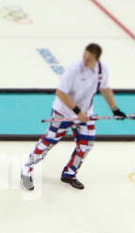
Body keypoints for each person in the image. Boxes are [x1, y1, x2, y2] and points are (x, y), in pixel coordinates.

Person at [20, 43, 126, 191]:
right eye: (84, 56)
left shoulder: (102, 70)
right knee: (48, 142)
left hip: (85, 115)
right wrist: (77, 112)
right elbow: (61, 93)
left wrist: (115, 109)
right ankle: (27, 169)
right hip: (63, 113)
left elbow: (105, 89)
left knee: (86, 144)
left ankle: (69, 174)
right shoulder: (74, 69)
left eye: (89, 59)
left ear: (97, 60)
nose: (85, 61)